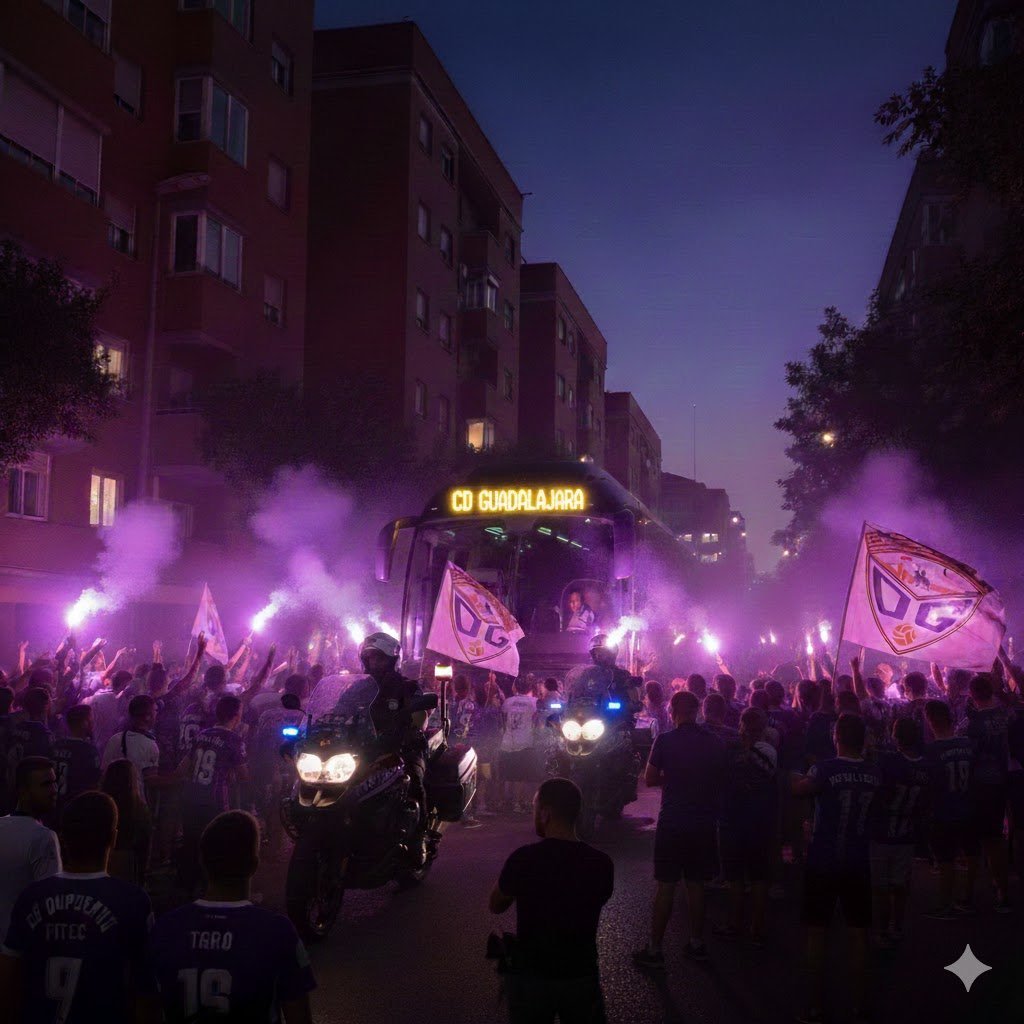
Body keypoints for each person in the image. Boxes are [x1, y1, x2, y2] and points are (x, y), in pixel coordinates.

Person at [143, 810, 315, 1023]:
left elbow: (144, 1011)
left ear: (203, 862)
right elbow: (300, 1017)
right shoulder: (277, 933)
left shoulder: (165, 930)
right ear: (254, 864)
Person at [0, 791, 152, 1023]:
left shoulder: (32, 897)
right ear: (113, 837)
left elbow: (8, 979)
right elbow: (145, 993)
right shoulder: (132, 901)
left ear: (63, 837)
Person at [489, 778, 613, 1024]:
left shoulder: (524, 858)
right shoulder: (601, 863)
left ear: (545, 814)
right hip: (581, 973)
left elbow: (496, 904)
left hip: (532, 975)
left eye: (535, 808)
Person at [791, 713, 881, 1024]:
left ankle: (815, 1006)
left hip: (823, 859)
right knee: (858, 933)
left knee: (817, 932)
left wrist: (793, 774)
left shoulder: (825, 769)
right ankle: (859, 1005)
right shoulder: (873, 773)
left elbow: (800, 789)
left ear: (837, 737)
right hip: (858, 860)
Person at [633, 691, 726, 967]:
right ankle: (697, 942)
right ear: (697, 711)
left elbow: (649, 778)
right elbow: (722, 777)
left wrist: (672, 775)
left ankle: (655, 949)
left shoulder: (665, 740)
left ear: (672, 711)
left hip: (673, 821)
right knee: (697, 885)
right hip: (704, 822)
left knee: (666, 886)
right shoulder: (715, 742)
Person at [177, 695, 248, 894]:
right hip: (215, 801)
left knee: (191, 844)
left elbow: (184, 768)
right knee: (215, 846)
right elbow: (243, 776)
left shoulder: (201, 734)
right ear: (236, 715)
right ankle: (212, 891)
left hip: (190, 797)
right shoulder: (234, 739)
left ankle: (185, 890)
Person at [869, 717, 931, 943]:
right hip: (908, 832)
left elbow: (877, 791)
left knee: (881, 886)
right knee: (900, 884)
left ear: (895, 737)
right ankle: (898, 927)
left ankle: (883, 930)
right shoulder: (926, 765)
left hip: (882, 831)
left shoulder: (889, 762)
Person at [962, 671, 1011, 913]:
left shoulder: (973, 724)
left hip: (979, 786)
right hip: (1002, 782)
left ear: (972, 695)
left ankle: (968, 895)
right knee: (995, 840)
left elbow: (966, 755)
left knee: (974, 842)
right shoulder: (1006, 715)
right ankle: (1002, 891)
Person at [924, 699, 978, 917]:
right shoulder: (967, 744)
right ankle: (967, 897)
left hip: (943, 812)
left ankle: (945, 903)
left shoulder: (932, 751)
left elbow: (930, 784)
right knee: (971, 853)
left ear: (930, 721)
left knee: (946, 859)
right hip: (968, 807)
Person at [0, 757, 61, 943]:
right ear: (23, 791)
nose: (54, 790)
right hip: (21, 949)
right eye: (46, 784)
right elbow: (52, 905)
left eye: (54, 782)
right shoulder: (43, 837)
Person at [101, 759, 152, 886]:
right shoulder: (139, 811)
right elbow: (145, 849)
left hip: (101, 868)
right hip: (128, 873)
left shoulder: (100, 806)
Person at [100, 695, 160, 795]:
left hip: (113, 799)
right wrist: (177, 776)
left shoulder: (115, 739)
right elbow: (151, 781)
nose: (157, 714)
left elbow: (103, 773)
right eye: (155, 710)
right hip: (135, 804)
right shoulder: (150, 745)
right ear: (147, 716)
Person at [51, 704, 101, 816]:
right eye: (90, 720)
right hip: (77, 808)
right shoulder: (88, 751)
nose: (92, 724)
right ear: (84, 723)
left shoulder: (56, 746)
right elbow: (94, 783)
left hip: (53, 805)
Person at [501, 677, 539, 814]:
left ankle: (507, 802)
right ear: (530, 688)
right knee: (520, 775)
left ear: (516, 687)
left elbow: (504, 717)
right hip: (524, 741)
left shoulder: (508, 702)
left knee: (508, 775)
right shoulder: (534, 702)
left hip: (507, 742)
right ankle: (517, 804)